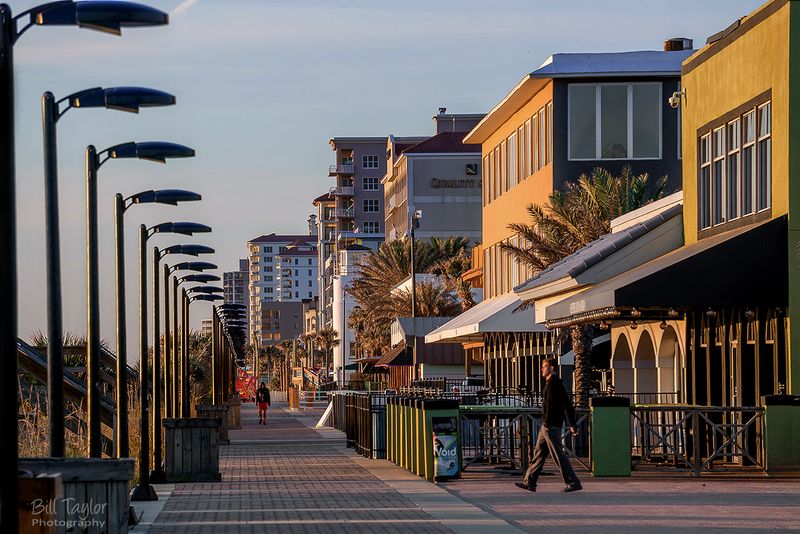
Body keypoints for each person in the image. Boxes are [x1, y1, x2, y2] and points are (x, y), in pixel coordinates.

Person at [515, 357, 582, 493]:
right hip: (546, 425)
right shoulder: (551, 383)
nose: (542, 369)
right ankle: (530, 482)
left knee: (558, 455)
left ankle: (573, 482)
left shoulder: (555, 384)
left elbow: (566, 404)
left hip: (551, 426)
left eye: (544, 366)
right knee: (538, 454)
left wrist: (572, 423)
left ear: (552, 368)